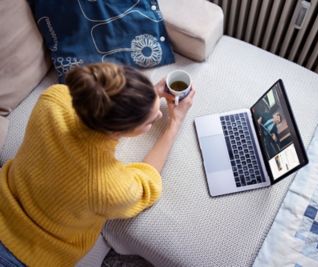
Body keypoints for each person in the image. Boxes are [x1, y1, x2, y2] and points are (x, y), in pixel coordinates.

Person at [0, 62, 195, 266]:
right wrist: (174, 124)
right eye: (150, 122)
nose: (159, 116)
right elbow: (147, 184)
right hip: (24, 255)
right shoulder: (108, 187)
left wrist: (144, 99)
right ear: (117, 132)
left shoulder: (53, 99)